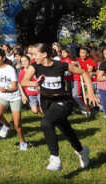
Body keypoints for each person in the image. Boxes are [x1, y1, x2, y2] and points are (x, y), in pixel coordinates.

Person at [21, 43, 99, 171]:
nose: (33, 57)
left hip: (62, 100)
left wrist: (90, 93)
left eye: (35, 54)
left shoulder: (61, 65)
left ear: (44, 54)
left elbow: (84, 73)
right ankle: (81, 150)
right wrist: (36, 83)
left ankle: (55, 158)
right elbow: (24, 81)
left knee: (46, 123)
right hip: (46, 101)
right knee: (64, 128)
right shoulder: (35, 66)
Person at [0, 49, 29, 151]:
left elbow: (15, 87)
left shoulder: (10, 69)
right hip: (2, 94)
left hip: (14, 96)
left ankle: (23, 142)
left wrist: (6, 89)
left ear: (3, 58)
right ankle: (6, 125)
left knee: (17, 124)